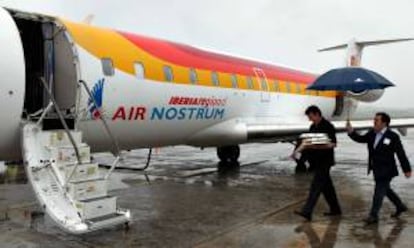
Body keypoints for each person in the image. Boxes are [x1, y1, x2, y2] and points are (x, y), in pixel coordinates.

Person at [347, 112, 412, 224]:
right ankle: (400, 206)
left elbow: (401, 153)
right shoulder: (372, 133)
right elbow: (360, 139)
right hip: (376, 169)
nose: (374, 122)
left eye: (377, 120)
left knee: (378, 191)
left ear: (384, 123)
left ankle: (373, 216)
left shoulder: (392, 136)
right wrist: (351, 132)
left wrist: (407, 169)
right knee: (386, 190)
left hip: (387, 170)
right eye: (374, 120)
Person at [294, 105, 342, 221]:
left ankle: (307, 211)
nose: (310, 119)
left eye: (310, 116)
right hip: (315, 161)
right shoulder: (312, 127)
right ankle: (335, 209)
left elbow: (334, 144)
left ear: (317, 114)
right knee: (327, 188)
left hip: (325, 161)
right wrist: (297, 151)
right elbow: (307, 142)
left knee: (315, 186)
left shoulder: (328, 126)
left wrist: (321, 144)